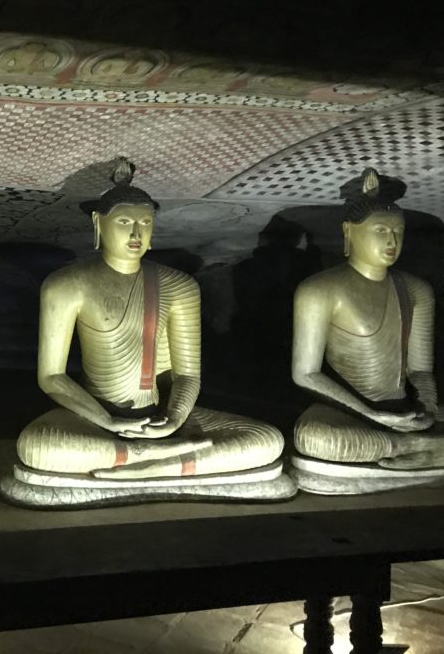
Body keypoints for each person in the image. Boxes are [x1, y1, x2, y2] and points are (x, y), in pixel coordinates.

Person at [15, 160, 284, 481]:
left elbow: (187, 375)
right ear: (99, 223)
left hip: (162, 416)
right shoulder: (66, 285)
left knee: (266, 439)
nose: (136, 233)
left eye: (145, 222)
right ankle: (156, 459)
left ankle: (148, 463)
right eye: (124, 222)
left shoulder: (178, 285)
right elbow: (52, 377)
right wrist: (107, 421)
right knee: (37, 446)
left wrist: (174, 418)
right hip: (95, 416)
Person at [291, 168, 444, 473]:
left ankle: (419, 449)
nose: (392, 240)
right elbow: (306, 374)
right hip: (350, 414)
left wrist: (427, 411)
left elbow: (420, 369)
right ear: (349, 231)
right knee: (314, 437)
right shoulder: (319, 290)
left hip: (404, 411)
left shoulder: (416, 290)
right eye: (380, 230)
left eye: (398, 231)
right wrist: (373, 415)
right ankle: (439, 450)